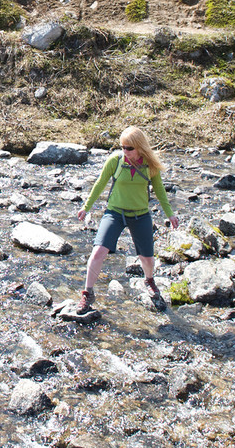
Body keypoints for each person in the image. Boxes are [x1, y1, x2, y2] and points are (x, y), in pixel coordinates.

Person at [75, 126, 178, 314]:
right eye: (122, 147)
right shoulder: (115, 161)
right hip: (115, 212)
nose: (125, 151)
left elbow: (160, 190)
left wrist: (169, 213)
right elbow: (100, 184)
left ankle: (149, 280)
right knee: (98, 251)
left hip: (141, 215)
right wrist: (86, 207)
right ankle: (87, 293)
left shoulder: (150, 165)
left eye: (129, 148)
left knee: (147, 258)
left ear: (139, 147)